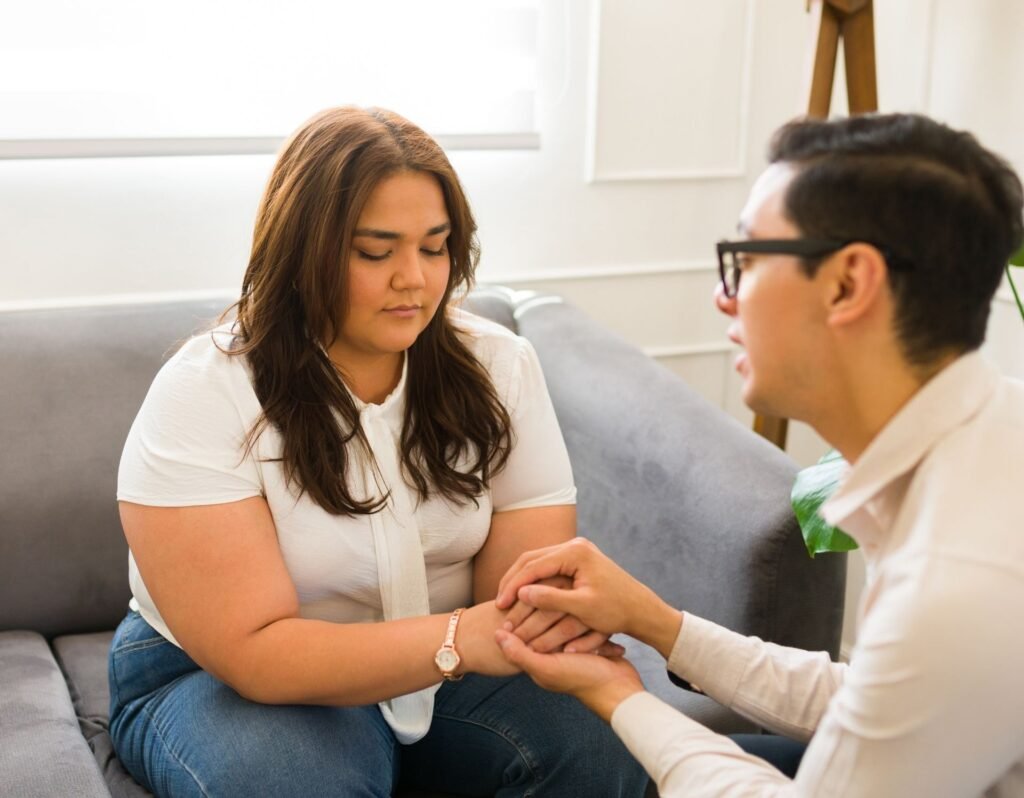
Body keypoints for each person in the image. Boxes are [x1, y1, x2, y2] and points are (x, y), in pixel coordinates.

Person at [108, 106, 648, 798]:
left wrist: (520, 631)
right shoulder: (204, 392)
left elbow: (517, 601)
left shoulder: (501, 366)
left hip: (454, 666)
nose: (415, 280)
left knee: (602, 748)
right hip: (223, 675)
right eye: (375, 251)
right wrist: (461, 637)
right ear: (302, 253)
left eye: (434, 246)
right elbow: (258, 653)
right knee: (296, 786)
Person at [494, 112, 1024, 796]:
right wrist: (656, 623)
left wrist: (618, 696)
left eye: (744, 261)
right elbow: (871, 696)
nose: (723, 297)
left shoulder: (956, 584)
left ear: (846, 283)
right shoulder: (996, 424)